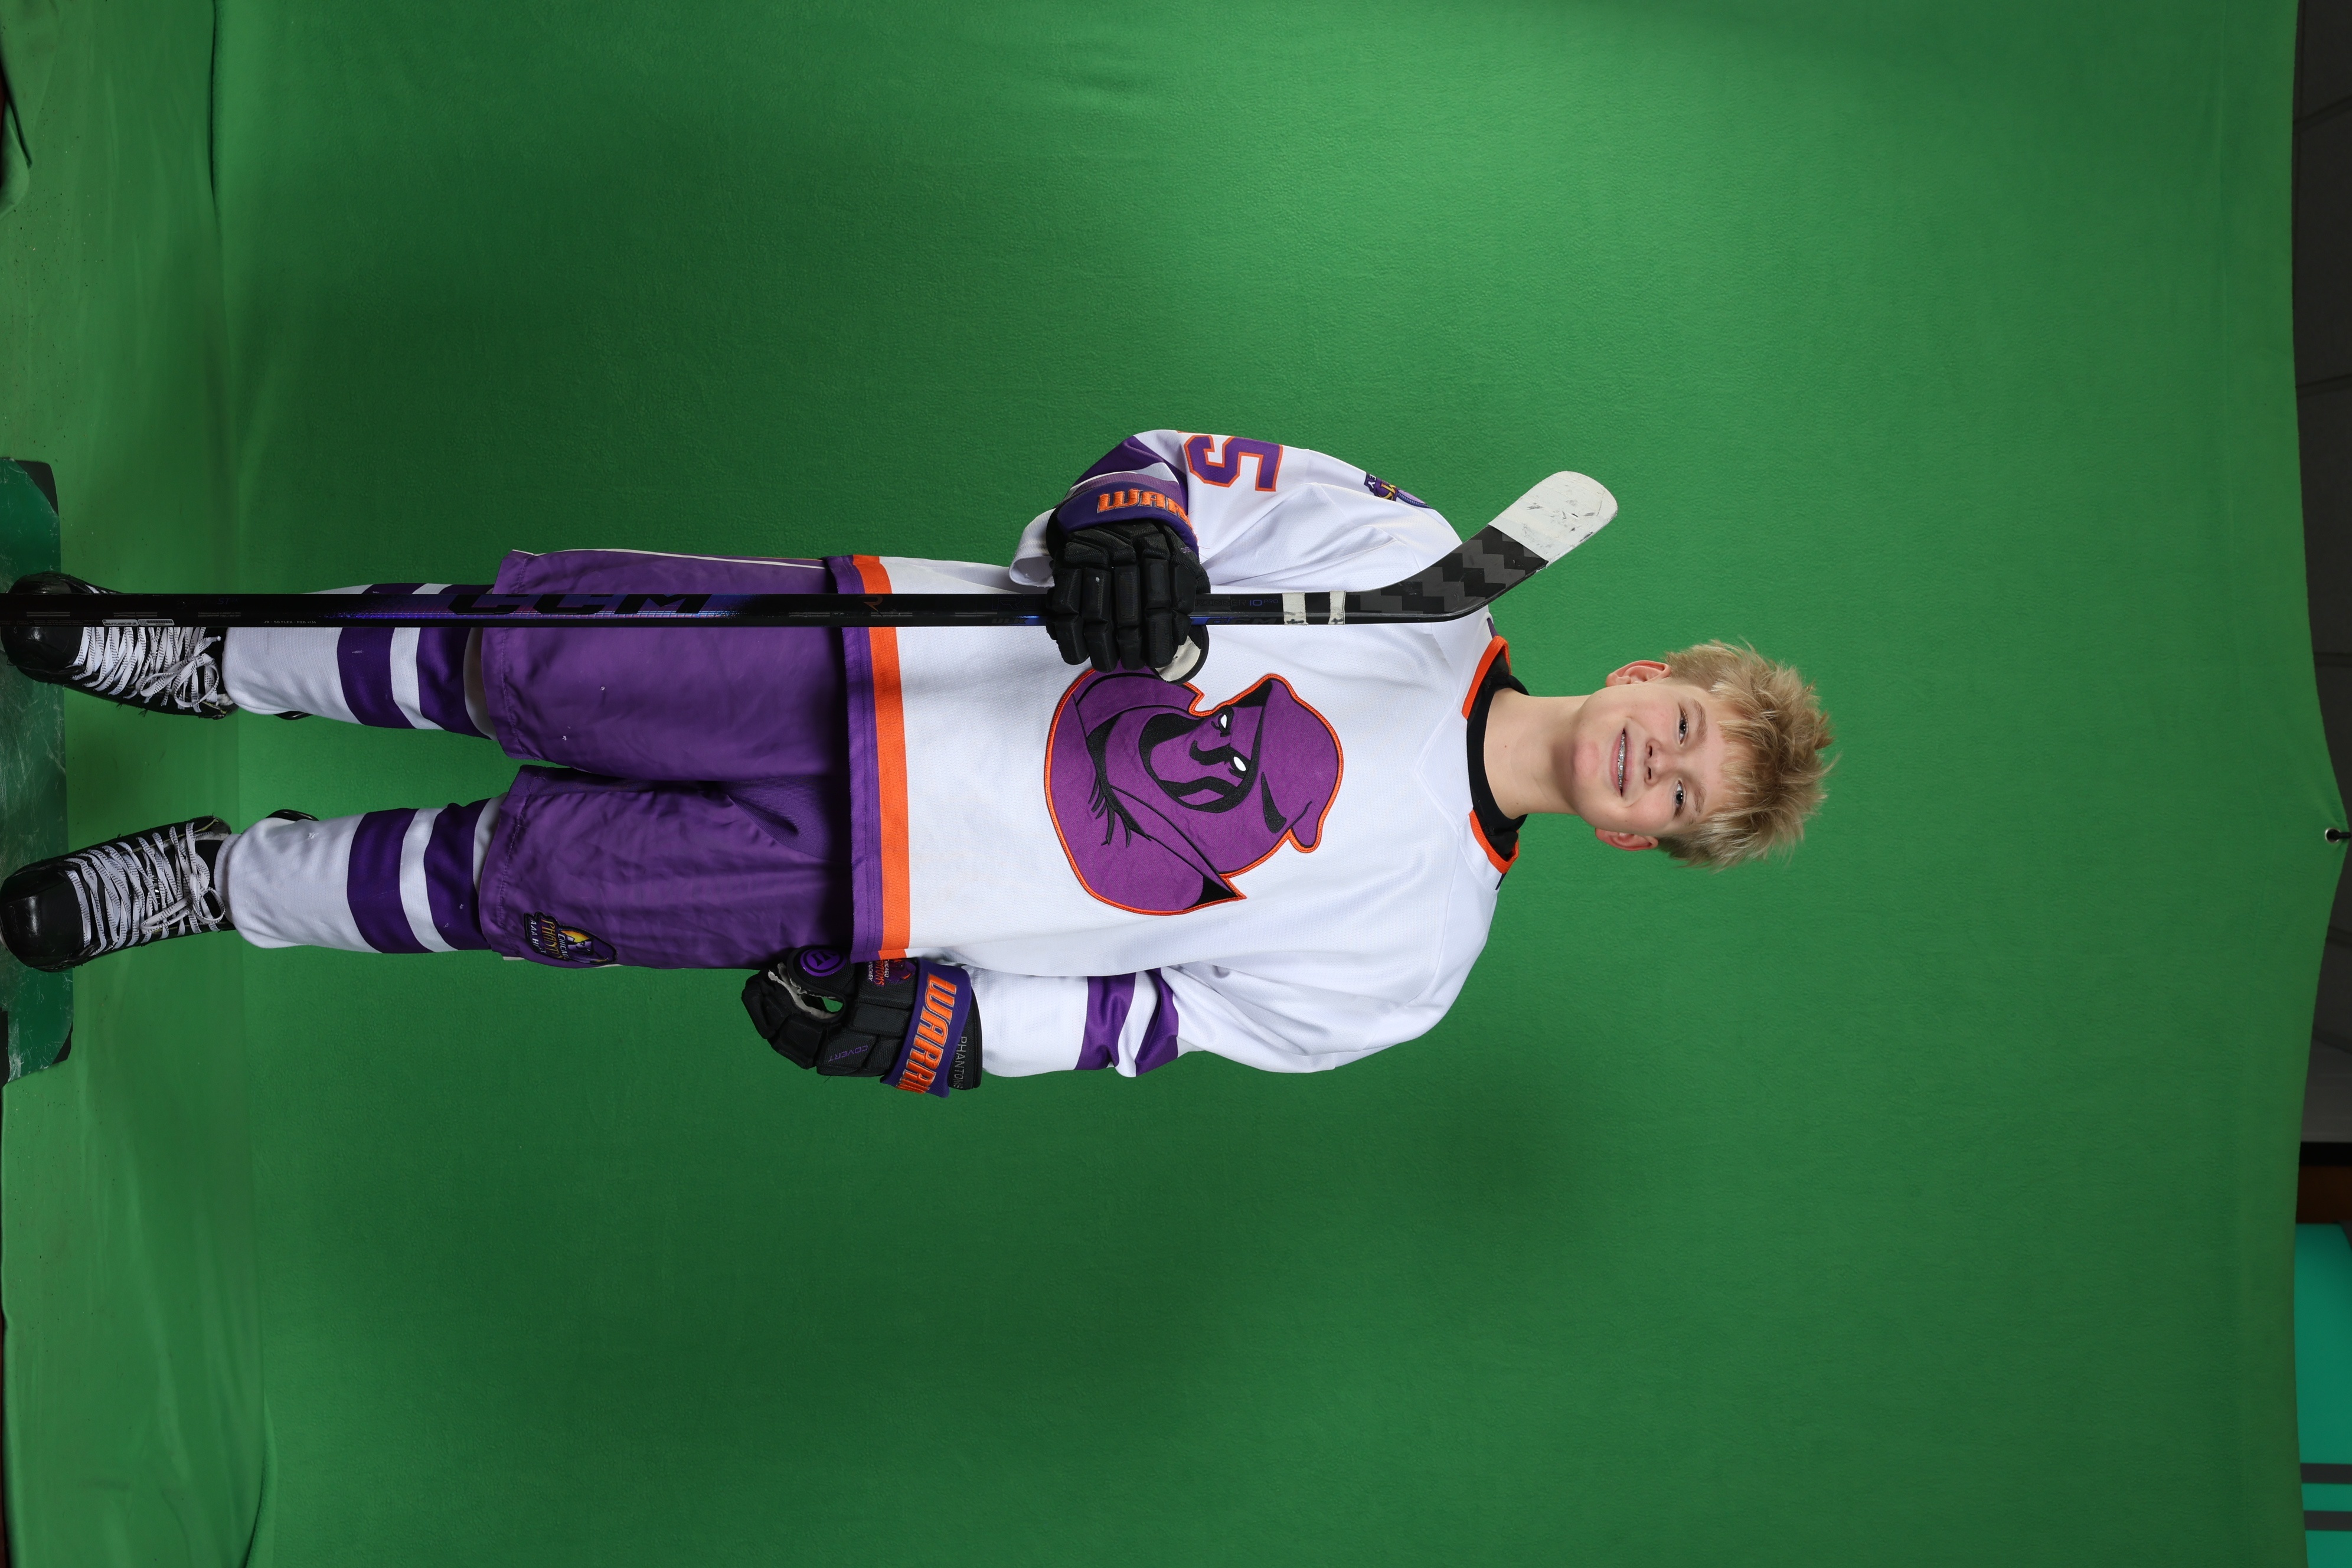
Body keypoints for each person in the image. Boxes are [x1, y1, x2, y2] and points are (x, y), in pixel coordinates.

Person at [0, 432, 1834, 1096]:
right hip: (876, 664)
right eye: (1687, 726)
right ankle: (201, 655)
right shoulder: (1404, 554)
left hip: (877, 891)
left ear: (1645, 841)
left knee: (511, 884)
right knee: (510, 654)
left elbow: (1154, 1020)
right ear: (1653, 673)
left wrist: (957, 1037)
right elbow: (1161, 462)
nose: (1659, 763)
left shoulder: (1411, 967)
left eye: (1684, 798)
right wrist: (1123, 524)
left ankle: (208, 882)